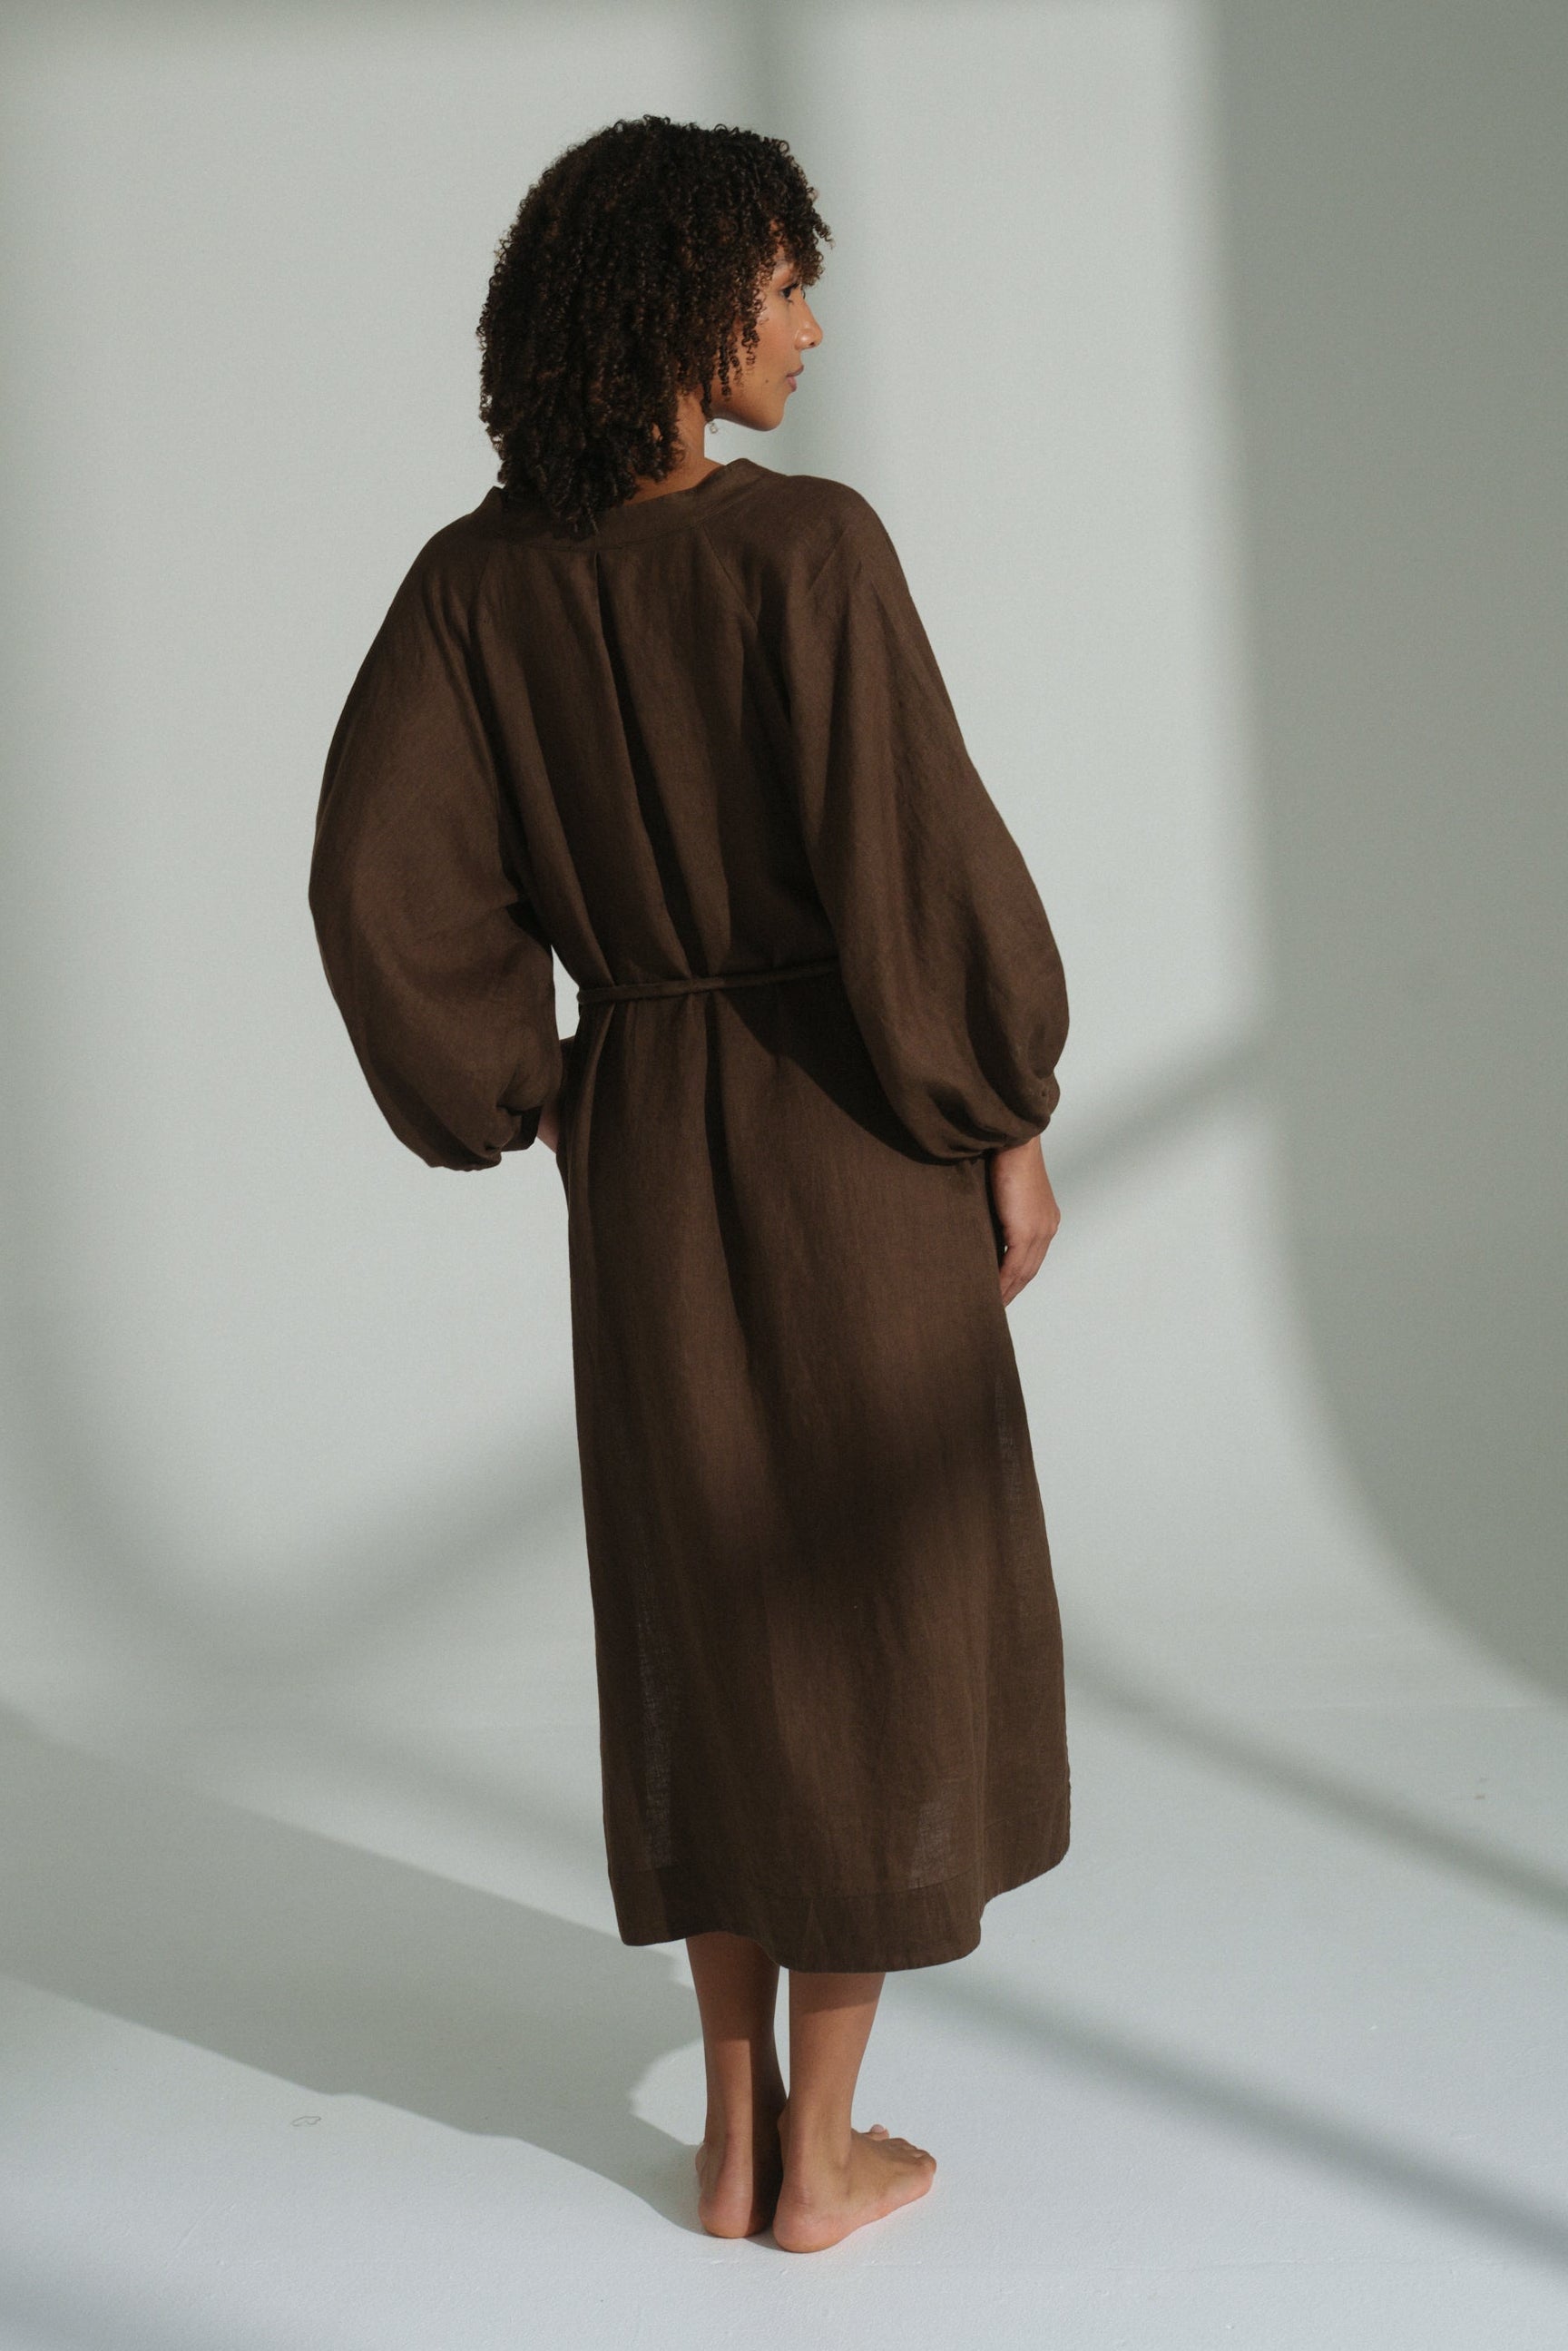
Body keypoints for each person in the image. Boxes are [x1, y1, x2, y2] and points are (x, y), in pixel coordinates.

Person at [308, 114, 1070, 2255]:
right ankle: (820, 2161)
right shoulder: (805, 549)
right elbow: (915, 867)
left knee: (706, 1620)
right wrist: (1000, 1118)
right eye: (779, 288)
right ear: (678, 307)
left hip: (643, 1146)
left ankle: (732, 2137)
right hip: (845, 1141)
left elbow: (376, 886)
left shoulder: (477, 583)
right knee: (871, 1624)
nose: (810, 328)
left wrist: (539, 1089)